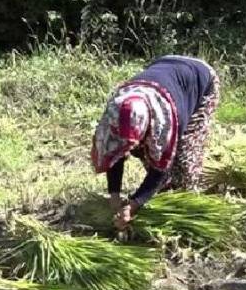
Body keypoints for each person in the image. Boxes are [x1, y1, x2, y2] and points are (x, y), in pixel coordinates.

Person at [91, 55, 221, 230]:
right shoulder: (116, 110)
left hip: (200, 79)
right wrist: (114, 195)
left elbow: (161, 168)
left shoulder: (165, 119)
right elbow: (116, 151)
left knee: (184, 158)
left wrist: (134, 204)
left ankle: (185, 201)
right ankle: (162, 191)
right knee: (142, 151)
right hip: (163, 65)